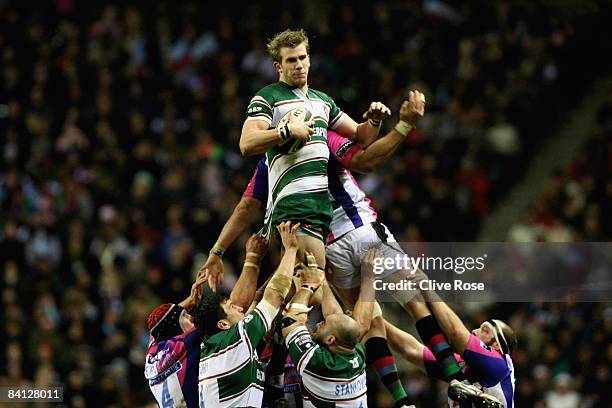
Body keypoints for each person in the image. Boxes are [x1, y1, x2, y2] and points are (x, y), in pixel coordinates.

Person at [235, 28, 391, 273]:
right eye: (291, 60)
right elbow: (247, 143)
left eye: (302, 58)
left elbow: (361, 136)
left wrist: (374, 120)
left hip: (321, 208)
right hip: (294, 205)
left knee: (312, 291)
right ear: (278, 66)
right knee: (310, 287)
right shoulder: (267, 97)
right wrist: (285, 131)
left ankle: (255, 307)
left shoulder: (322, 101)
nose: (299, 65)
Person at [144, 234, 267, 408]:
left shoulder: (152, 354)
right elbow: (237, 308)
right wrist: (253, 258)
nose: (191, 318)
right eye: (186, 318)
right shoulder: (186, 343)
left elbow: (157, 327)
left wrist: (188, 302)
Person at [194, 222, 300, 408]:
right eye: (230, 308)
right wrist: (291, 249)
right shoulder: (235, 340)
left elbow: (259, 301)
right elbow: (273, 296)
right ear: (223, 324)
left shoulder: (216, 344)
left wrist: (255, 258)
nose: (238, 307)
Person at [279, 248, 379, 407]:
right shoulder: (354, 352)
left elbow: (290, 322)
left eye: (323, 323)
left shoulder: (319, 363)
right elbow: (338, 319)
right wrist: (322, 279)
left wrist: (308, 286)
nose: (318, 323)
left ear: (331, 339)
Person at [385, 293, 516, 407]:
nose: (474, 331)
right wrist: (376, 318)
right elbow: (410, 349)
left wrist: (426, 288)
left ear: (497, 346)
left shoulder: (500, 365)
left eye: (485, 331)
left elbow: (455, 333)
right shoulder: (463, 365)